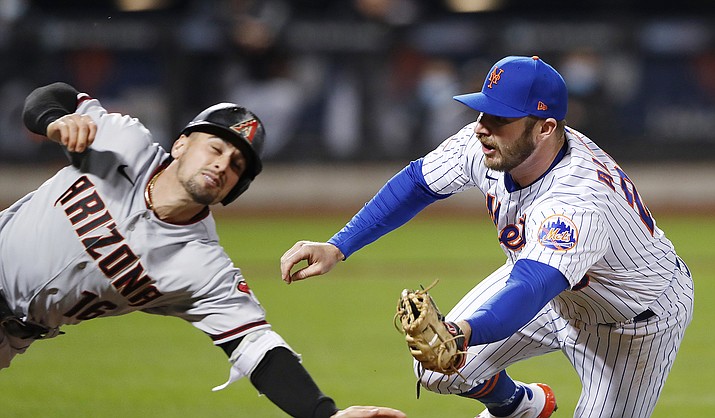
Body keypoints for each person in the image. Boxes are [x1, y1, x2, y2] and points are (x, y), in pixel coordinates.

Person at [280, 56, 694, 418]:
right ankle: (520, 407)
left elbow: (530, 289)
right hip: (552, 289)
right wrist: (338, 245)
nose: (482, 128)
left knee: (454, 346)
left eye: (500, 119)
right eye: (483, 112)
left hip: (634, 323)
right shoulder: (487, 143)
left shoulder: (577, 200)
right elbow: (416, 184)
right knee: (438, 368)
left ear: (546, 127)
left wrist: (462, 331)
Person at [0, 82, 406, 418]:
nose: (222, 165)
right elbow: (52, 96)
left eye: (235, 165)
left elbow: (257, 347)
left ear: (236, 189)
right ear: (180, 145)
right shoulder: (121, 141)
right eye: (215, 148)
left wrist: (324, 415)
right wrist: (56, 120)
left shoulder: (203, 267)